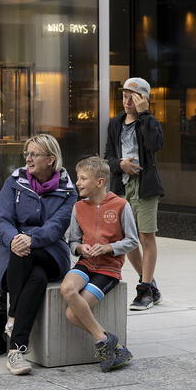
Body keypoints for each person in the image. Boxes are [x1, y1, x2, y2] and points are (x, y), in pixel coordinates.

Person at [0, 133, 77, 376]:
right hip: (15, 255)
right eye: (26, 154)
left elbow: (58, 225)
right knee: (36, 278)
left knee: (26, 253)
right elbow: (2, 220)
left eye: (34, 154)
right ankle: (16, 351)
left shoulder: (68, 190)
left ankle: (12, 317)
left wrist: (31, 238)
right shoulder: (14, 182)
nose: (28, 159)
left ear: (51, 159)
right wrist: (14, 239)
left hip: (50, 253)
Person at [62, 156, 140, 371]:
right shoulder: (78, 207)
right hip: (86, 263)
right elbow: (73, 241)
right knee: (67, 288)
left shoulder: (121, 206)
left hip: (108, 269)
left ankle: (110, 343)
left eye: (83, 178)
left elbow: (133, 241)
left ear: (100, 182)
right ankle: (105, 340)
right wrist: (80, 248)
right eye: (78, 178)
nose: (78, 183)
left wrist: (109, 248)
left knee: (71, 314)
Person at [104, 77, 165, 311]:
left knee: (146, 237)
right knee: (127, 240)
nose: (127, 100)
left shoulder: (149, 122)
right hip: (121, 187)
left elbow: (154, 145)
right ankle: (148, 284)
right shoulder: (114, 123)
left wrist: (145, 114)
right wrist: (121, 165)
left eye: (133, 96)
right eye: (124, 95)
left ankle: (145, 290)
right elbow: (108, 157)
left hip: (145, 187)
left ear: (144, 98)